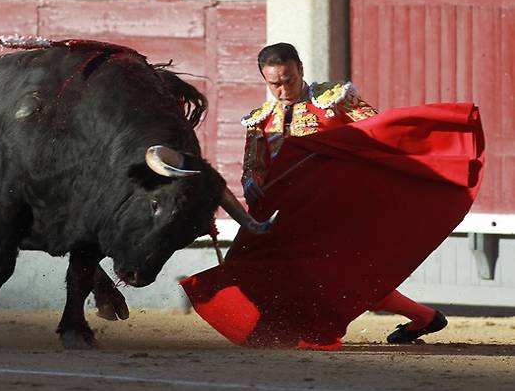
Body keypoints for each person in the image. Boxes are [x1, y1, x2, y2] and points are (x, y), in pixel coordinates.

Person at [180, 42, 484, 349]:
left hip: (338, 210)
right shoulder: (260, 122)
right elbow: (254, 169)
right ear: (264, 79)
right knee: (303, 273)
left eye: (289, 80)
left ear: (300, 69)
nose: (283, 90)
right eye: (275, 84)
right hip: (292, 214)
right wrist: (251, 185)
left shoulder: (333, 100)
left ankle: (421, 317)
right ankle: (423, 317)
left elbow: (377, 132)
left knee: (342, 276)